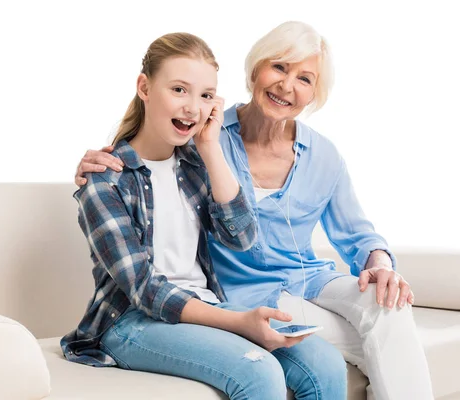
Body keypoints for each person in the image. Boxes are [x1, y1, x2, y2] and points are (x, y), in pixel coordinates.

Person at [74, 22, 434, 400]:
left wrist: (381, 264)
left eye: (205, 95)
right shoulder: (135, 166)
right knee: (264, 371)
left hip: (261, 294)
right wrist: (238, 321)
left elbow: (245, 235)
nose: (192, 106)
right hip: (167, 312)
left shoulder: (198, 159)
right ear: (255, 70)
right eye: (279, 67)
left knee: (350, 344)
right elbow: (144, 287)